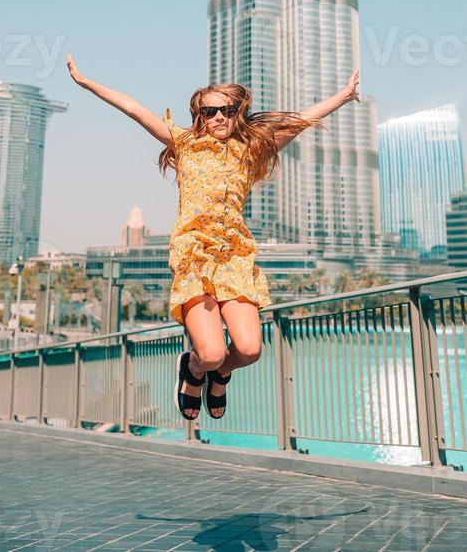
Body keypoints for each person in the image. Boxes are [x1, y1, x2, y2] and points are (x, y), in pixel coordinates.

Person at [66, 53, 360, 420]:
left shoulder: (250, 151)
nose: (219, 116)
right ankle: (195, 368)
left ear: (238, 112)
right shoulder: (185, 145)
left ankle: (220, 374)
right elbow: (135, 110)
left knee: (250, 350)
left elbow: (299, 121)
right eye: (210, 111)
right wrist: (86, 81)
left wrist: (344, 96)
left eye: (227, 109)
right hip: (194, 258)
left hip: (234, 257)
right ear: (199, 116)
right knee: (211, 352)